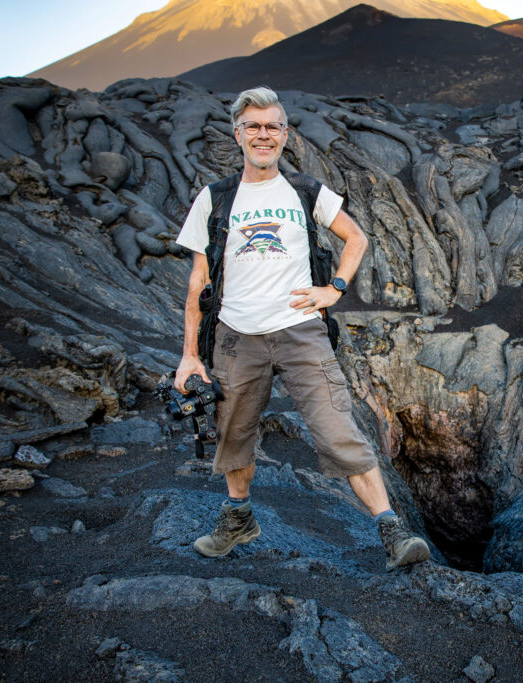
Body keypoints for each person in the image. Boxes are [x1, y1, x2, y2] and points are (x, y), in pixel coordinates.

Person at [173, 86, 430, 570]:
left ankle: (392, 530)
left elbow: (356, 237)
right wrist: (189, 356)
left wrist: (333, 289)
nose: (263, 134)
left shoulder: (307, 190)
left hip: (301, 332)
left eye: (272, 126)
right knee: (232, 433)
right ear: (238, 134)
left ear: (285, 135)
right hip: (234, 337)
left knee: (337, 428)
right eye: (253, 126)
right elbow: (198, 282)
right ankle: (238, 517)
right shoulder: (214, 199)